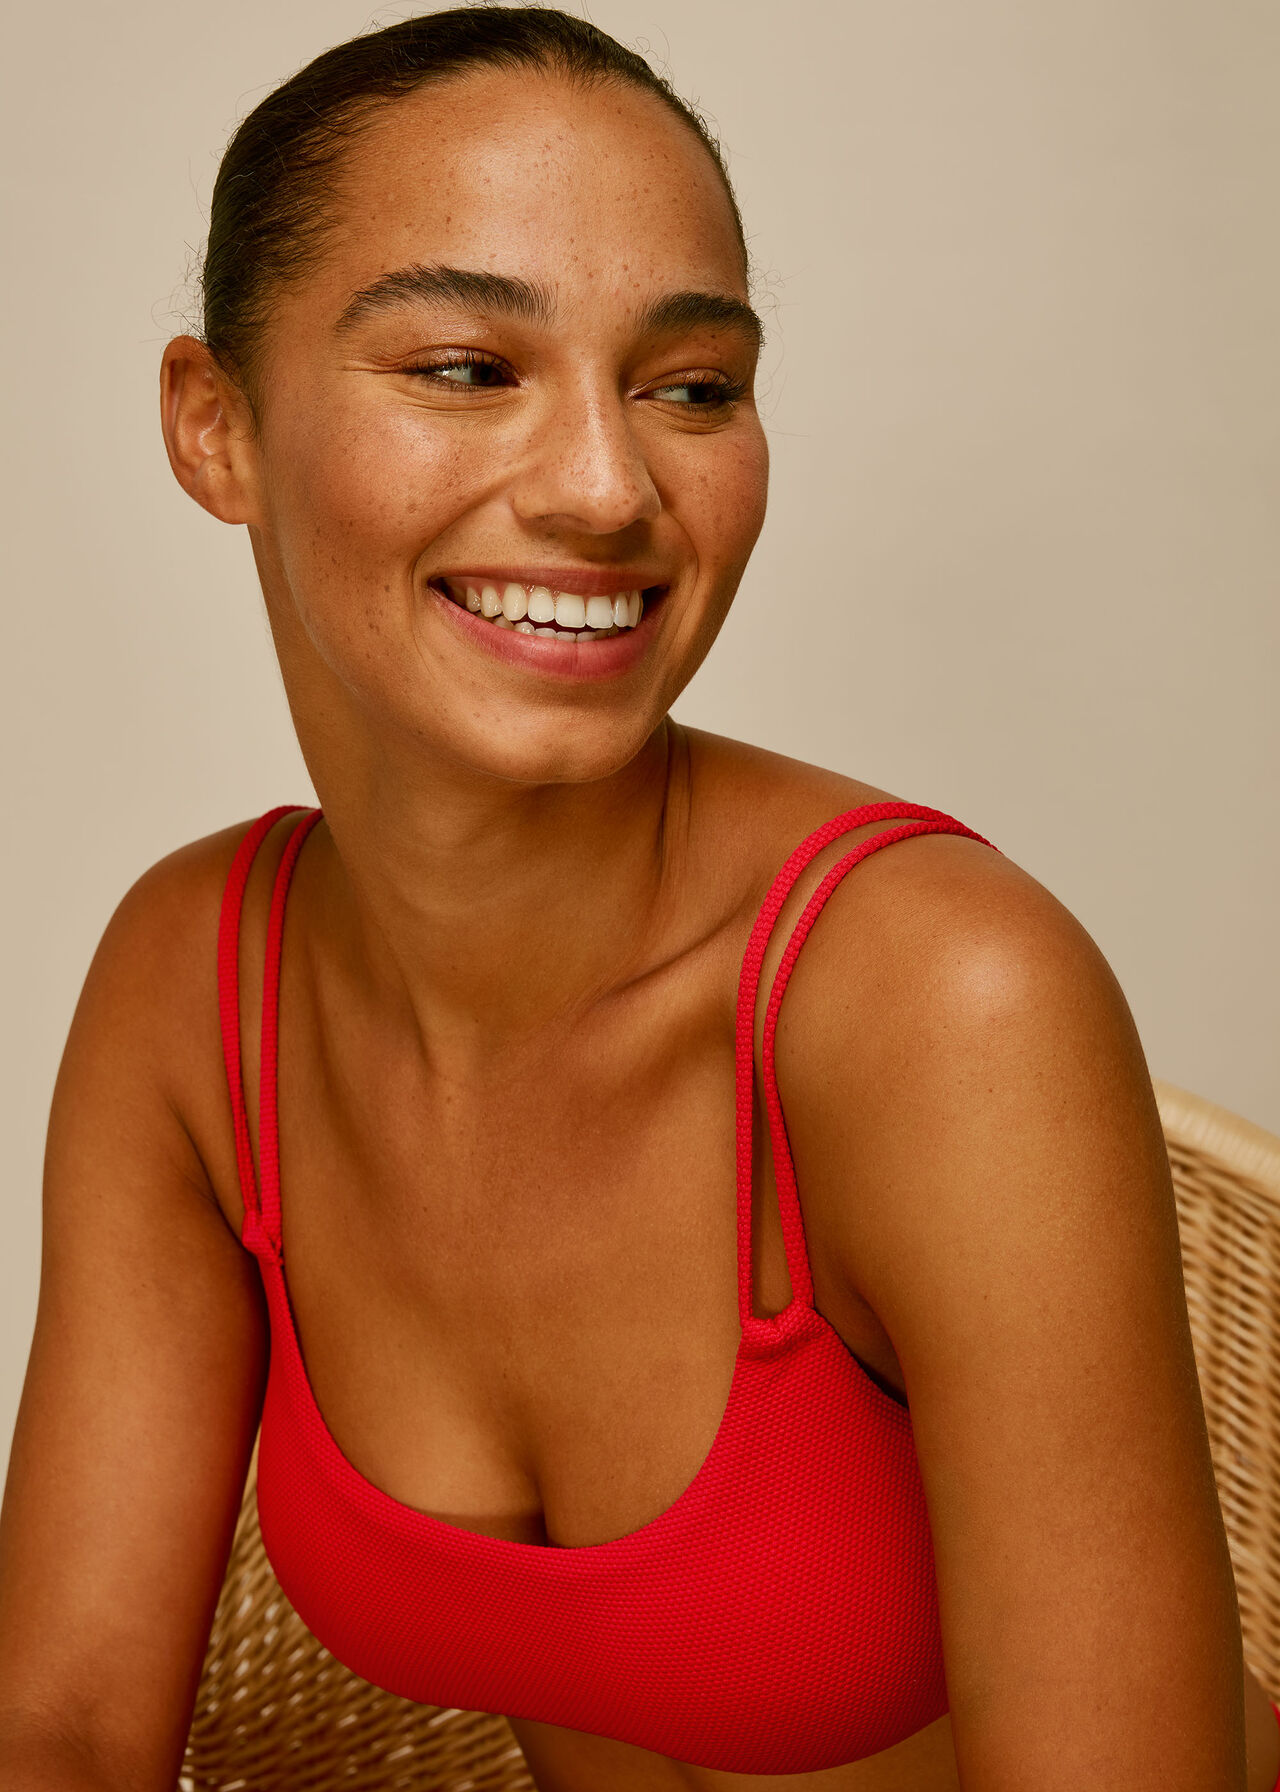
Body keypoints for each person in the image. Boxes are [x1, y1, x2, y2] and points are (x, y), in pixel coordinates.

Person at [0, 7, 1276, 1790]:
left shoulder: (942, 1001)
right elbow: (58, 1724)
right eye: (464, 369)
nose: (608, 488)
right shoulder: (192, 992)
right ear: (215, 427)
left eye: (691, 388)